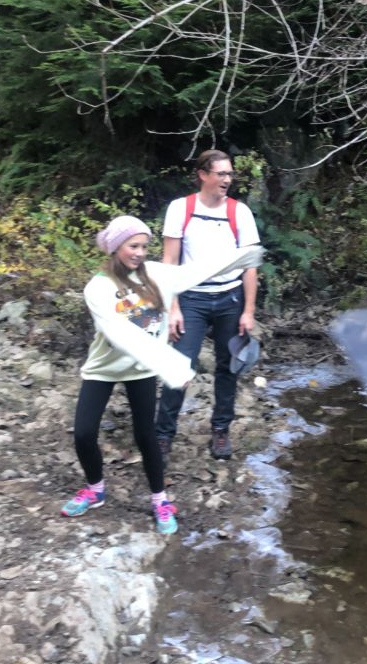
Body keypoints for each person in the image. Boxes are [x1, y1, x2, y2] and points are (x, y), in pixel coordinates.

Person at [61, 214, 263, 534]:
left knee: (147, 436)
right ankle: (95, 489)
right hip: (103, 369)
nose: (140, 253)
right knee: (84, 432)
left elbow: (196, 271)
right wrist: (170, 366)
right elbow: (119, 333)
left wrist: (244, 256)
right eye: (133, 246)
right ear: (115, 248)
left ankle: (160, 499)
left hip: (140, 371)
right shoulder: (98, 288)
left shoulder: (156, 274)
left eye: (144, 246)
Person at [155, 149, 262, 460]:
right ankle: (163, 435)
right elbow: (170, 261)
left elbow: (250, 265)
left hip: (230, 298)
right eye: (221, 174)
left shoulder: (239, 212)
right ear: (203, 175)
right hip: (190, 299)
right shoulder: (180, 209)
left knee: (228, 368)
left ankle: (220, 431)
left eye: (230, 174)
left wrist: (249, 310)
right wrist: (172, 307)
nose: (227, 180)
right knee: (179, 367)